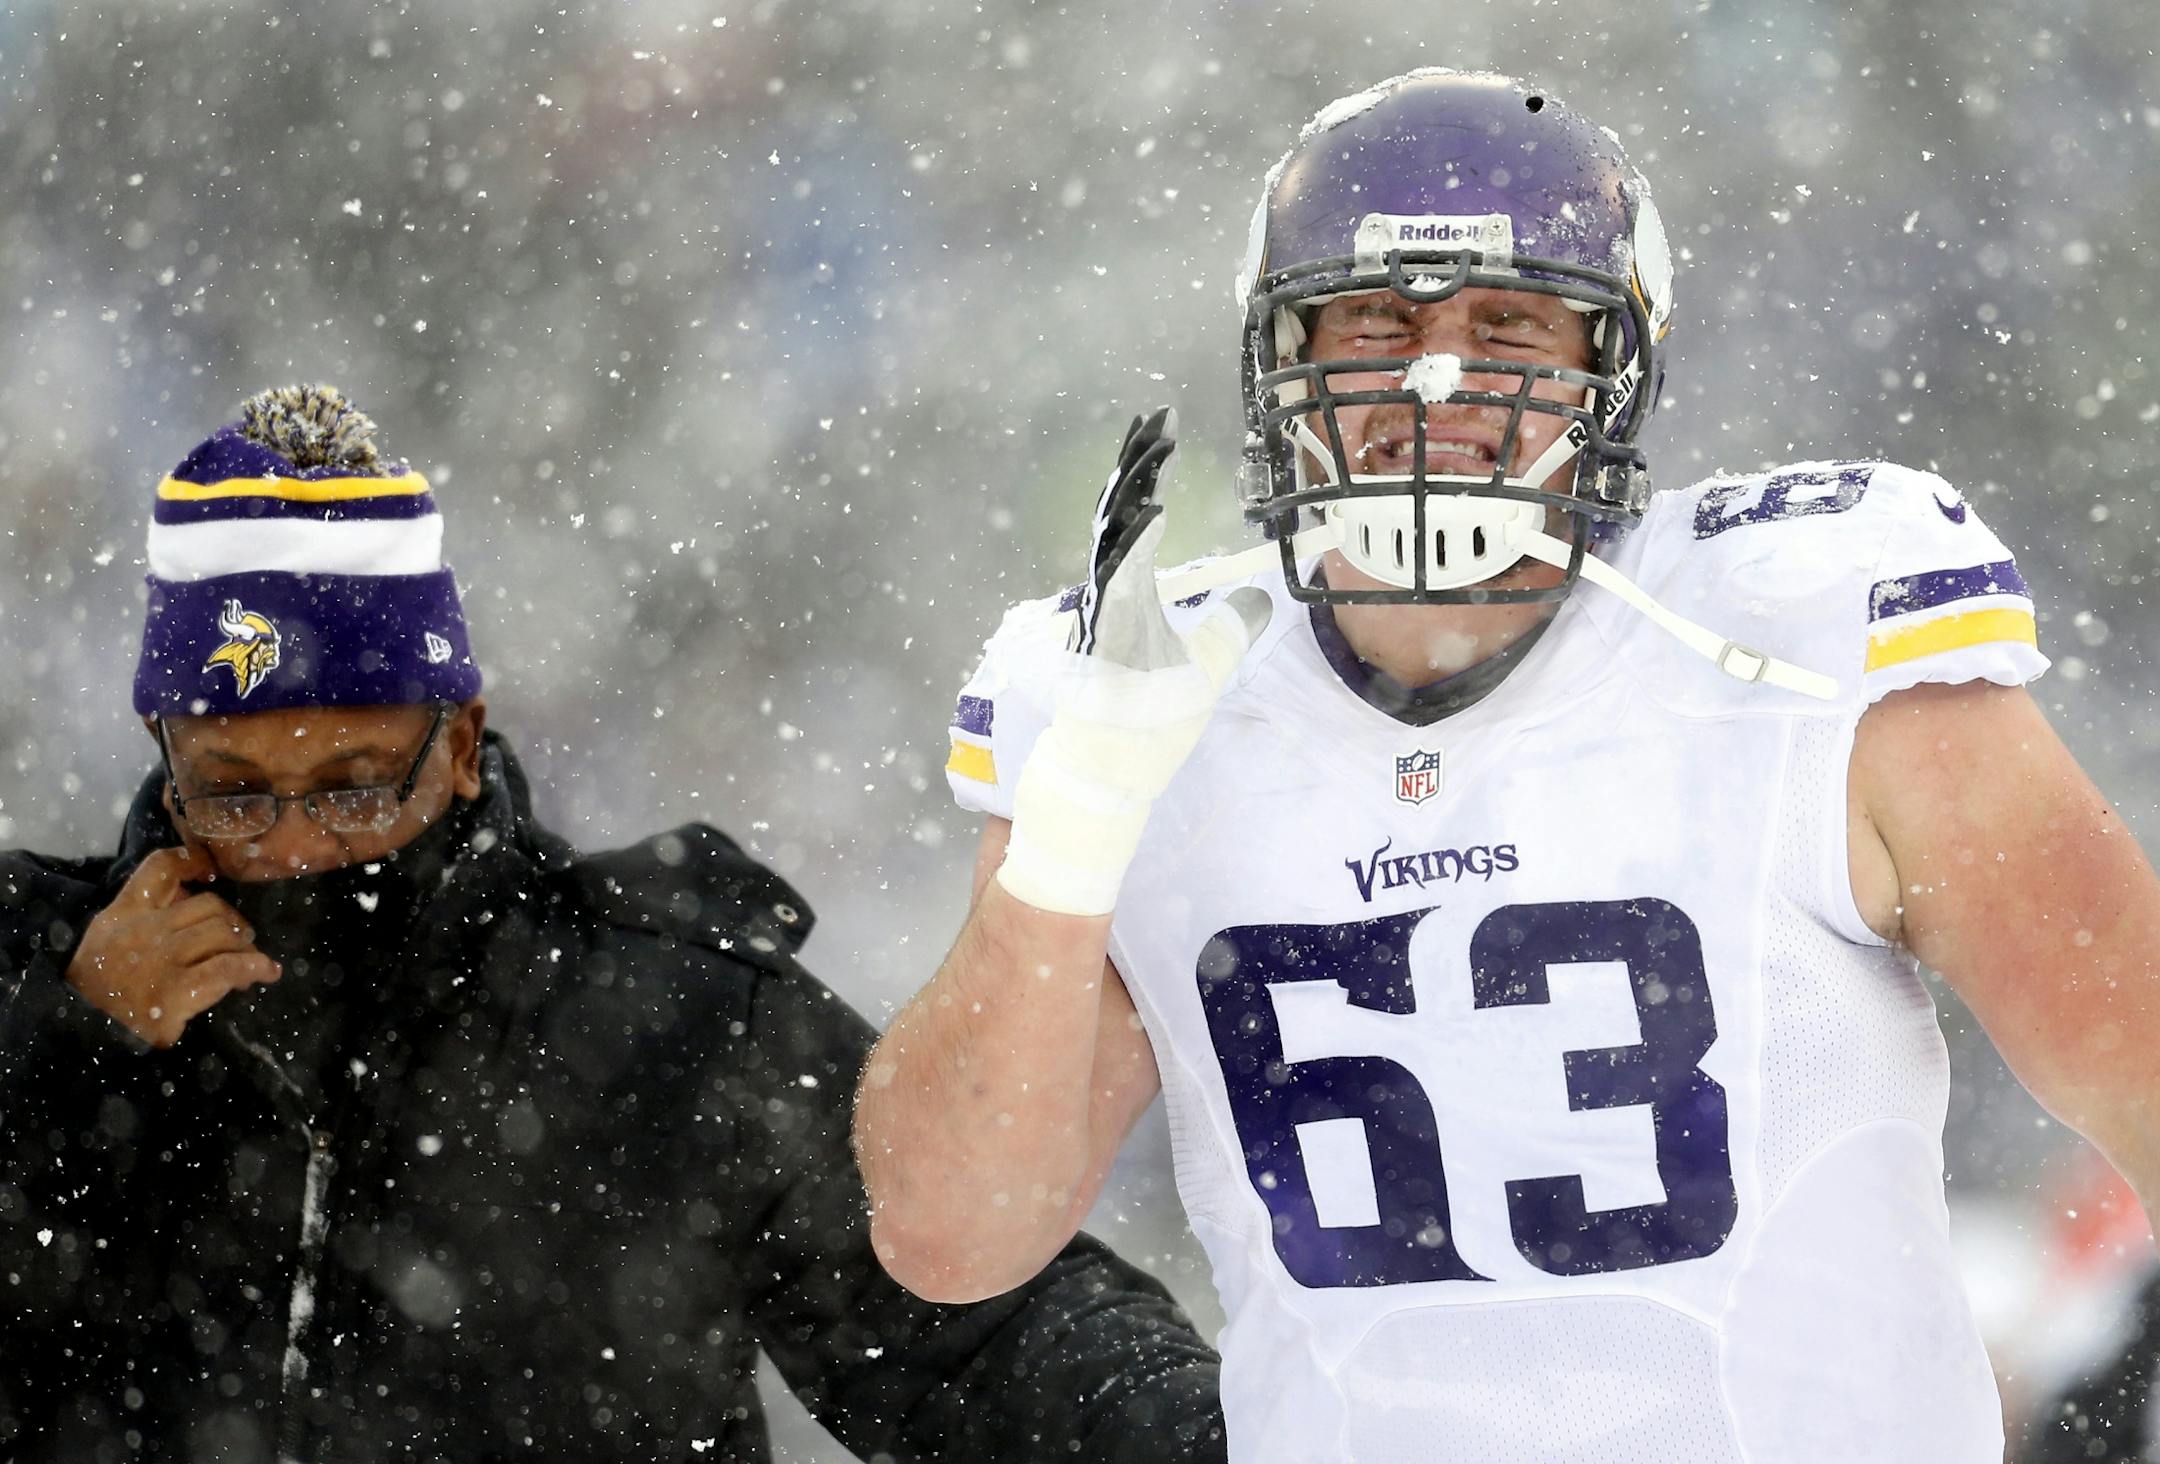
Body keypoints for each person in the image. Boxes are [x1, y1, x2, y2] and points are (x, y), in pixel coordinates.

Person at [852, 69, 2160, 1463]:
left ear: (1614, 366)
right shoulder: (1148, 698)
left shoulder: (1803, 648)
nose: (1436, 376)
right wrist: (1077, 826)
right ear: (1280, 350)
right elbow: (947, 1237)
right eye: (1376, 319)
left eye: (1508, 324)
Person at [0, 386, 1226, 1464]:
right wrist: (63, 1048)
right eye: (233, 790)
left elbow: (982, 1327)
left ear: (463, 743)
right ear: (165, 759)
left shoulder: (661, 1015)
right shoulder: (36, 970)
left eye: (353, 787)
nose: (293, 845)